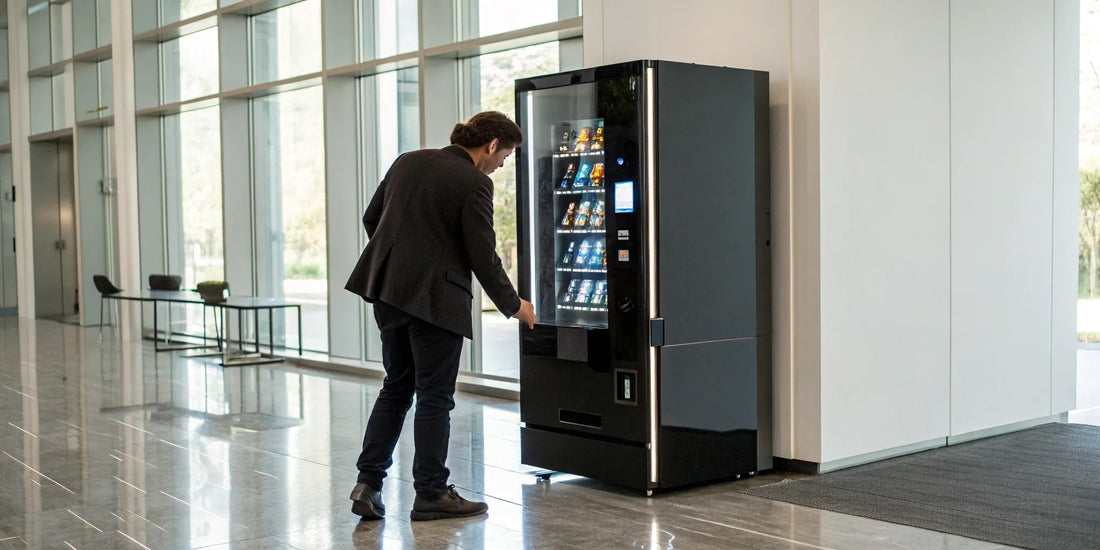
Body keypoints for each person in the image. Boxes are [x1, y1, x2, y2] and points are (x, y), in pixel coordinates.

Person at [344, 111, 536, 521]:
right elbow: (483, 255)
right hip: (437, 303)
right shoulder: (474, 183)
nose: (501, 165)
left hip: (389, 294)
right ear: (490, 146)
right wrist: (515, 305)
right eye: (504, 157)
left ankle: (368, 482)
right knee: (434, 397)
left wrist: (402, 262)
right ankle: (430, 492)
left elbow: (372, 218)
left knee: (396, 388)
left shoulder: (407, 161)